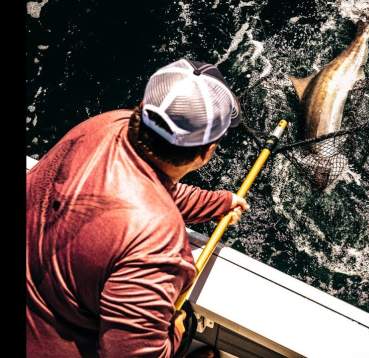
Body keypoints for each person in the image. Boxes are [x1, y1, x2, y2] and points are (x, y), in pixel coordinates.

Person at [26, 59, 249, 357]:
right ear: (207, 152)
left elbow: (144, 188)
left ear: (142, 109)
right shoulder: (157, 241)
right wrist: (178, 329)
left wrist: (216, 203)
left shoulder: (105, 126)